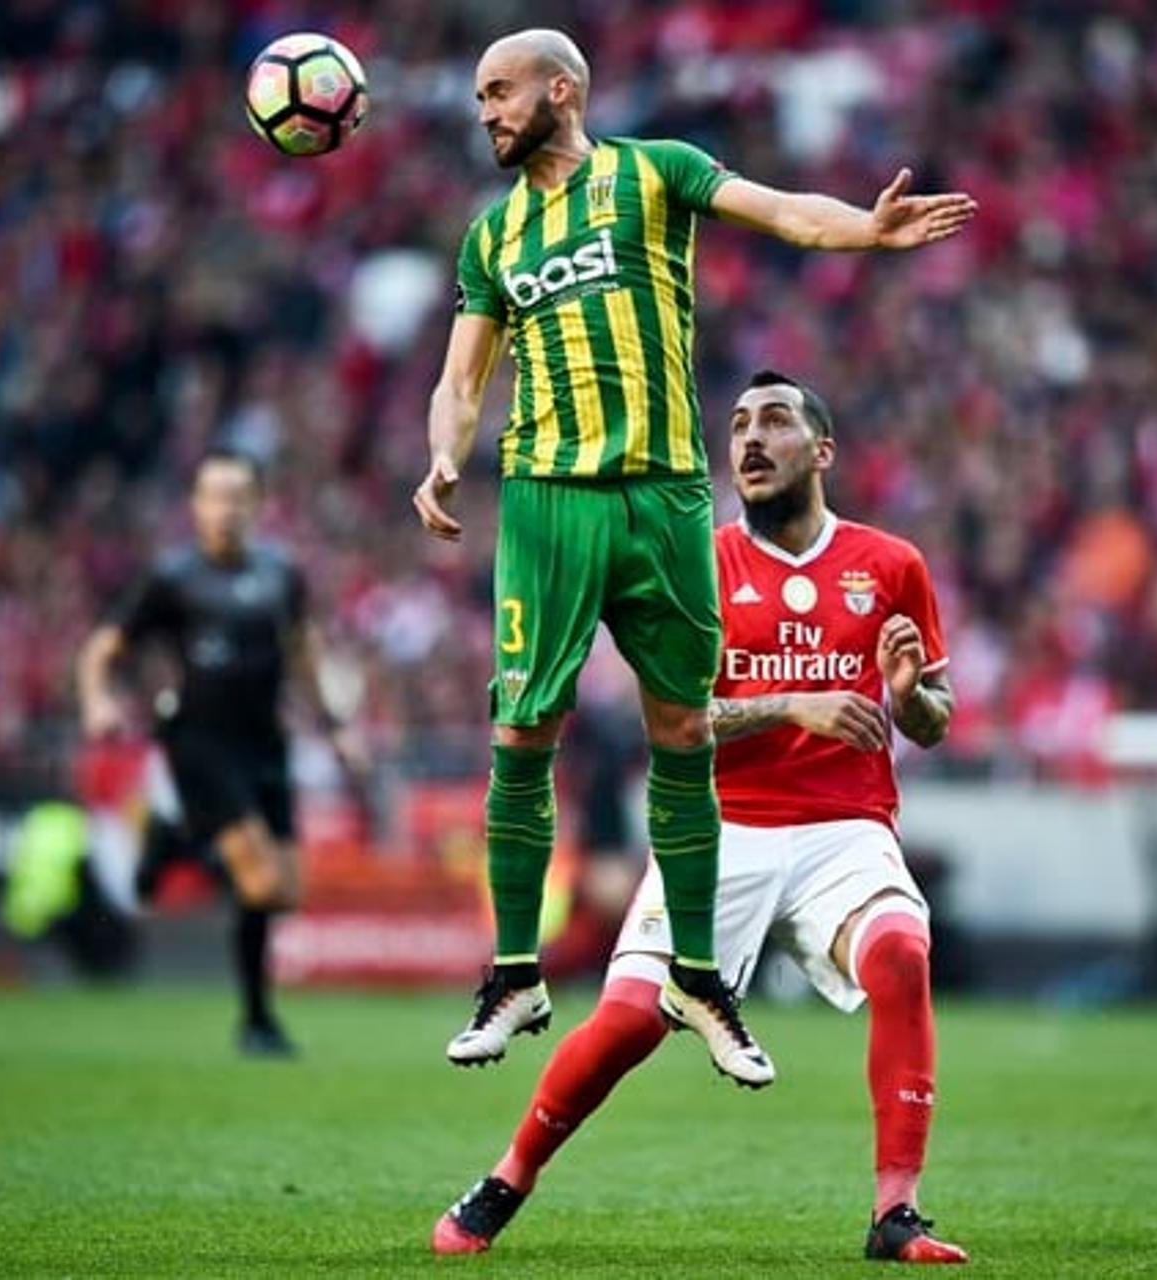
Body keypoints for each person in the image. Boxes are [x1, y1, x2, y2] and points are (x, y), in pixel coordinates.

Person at [411, 27, 976, 1083]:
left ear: (561, 90)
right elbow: (462, 377)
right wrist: (444, 457)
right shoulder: (492, 238)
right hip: (549, 493)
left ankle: (702, 976)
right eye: (478, 95)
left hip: (666, 488)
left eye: (499, 90)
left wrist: (864, 230)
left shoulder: (654, 172)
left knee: (679, 724)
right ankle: (515, 970)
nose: (483, 110)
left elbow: (782, 212)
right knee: (523, 724)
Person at [433, 370, 967, 1263]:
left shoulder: (892, 565)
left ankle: (896, 1212)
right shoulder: (698, 562)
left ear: (822, 451)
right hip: (720, 828)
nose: (751, 439)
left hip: (847, 826)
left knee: (904, 953)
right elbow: (673, 722)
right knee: (631, 1021)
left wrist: (909, 700)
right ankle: (506, 1178)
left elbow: (936, 718)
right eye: (740, 425)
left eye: (775, 422)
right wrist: (796, 704)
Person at [77, 447, 367, 1057]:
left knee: (283, 891)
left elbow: (304, 652)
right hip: (199, 741)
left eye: (238, 497)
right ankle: (256, 1020)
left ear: (258, 504)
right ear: (196, 505)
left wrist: (335, 724)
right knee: (258, 883)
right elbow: (102, 651)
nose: (226, 509)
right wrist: (98, 703)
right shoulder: (172, 579)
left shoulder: (281, 574)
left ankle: (176, 840)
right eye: (215, 496)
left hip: (265, 742)